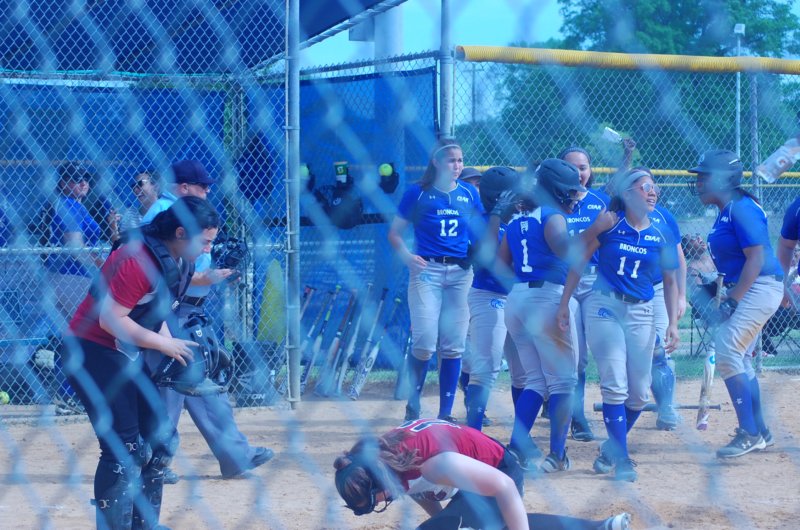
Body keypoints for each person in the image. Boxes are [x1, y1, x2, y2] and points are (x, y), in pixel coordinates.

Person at [64, 196, 219, 529]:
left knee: (160, 440)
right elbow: (110, 319)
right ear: (181, 232)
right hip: (91, 350)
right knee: (125, 448)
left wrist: (176, 348)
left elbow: (152, 312)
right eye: (204, 241)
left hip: (122, 351)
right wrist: (164, 344)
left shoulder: (177, 260)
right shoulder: (137, 259)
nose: (208, 249)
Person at [142, 159, 273, 482]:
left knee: (205, 384)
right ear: (184, 187)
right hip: (170, 310)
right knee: (171, 384)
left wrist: (215, 274)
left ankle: (235, 455)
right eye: (202, 186)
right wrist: (209, 277)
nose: (207, 191)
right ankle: (154, 462)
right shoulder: (164, 212)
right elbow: (163, 272)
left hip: (189, 312)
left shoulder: (192, 214)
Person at [558, 167, 680, 482]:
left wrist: (673, 323)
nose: (652, 192)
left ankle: (612, 448)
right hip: (605, 306)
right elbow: (578, 261)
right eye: (645, 187)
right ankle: (623, 460)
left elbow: (669, 281)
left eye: (654, 188)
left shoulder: (661, 233)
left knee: (639, 395)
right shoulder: (611, 224)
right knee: (615, 384)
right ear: (627, 194)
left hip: (642, 312)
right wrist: (564, 303)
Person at [333, 418, 632, 530]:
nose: (383, 501)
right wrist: (442, 519)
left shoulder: (431, 464)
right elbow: (416, 488)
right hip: (471, 480)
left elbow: (504, 487)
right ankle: (601, 528)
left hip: (500, 473)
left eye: (377, 497)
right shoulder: (388, 455)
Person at [688, 149, 783, 458]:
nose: (698, 183)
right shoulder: (727, 209)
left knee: (728, 351)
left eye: (704, 177)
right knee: (739, 358)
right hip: (748, 287)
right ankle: (760, 431)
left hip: (759, 286)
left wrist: (732, 301)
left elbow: (756, 257)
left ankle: (748, 433)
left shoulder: (742, 208)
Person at [388, 138, 485, 423]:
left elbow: (481, 230)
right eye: (451, 160)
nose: (457, 165)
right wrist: (407, 257)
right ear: (436, 162)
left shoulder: (468, 192)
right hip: (427, 271)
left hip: (460, 273)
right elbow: (394, 234)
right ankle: (413, 404)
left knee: (454, 344)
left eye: (460, 160)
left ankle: (445, 413)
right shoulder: (418, 193)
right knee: (424, 342)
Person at [500, 159, 585, 473]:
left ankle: (516, 448)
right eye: (569, 191)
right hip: (547, 297)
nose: (573, 197)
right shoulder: (551, 216)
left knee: (535, 380)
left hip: (518, 298)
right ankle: (557, 455)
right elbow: (567, 252)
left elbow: (501, 263)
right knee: (563, 382)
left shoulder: (518, 218)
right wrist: (593, 235)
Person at [558, 146, 610, 442]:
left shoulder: (600, 201)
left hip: (595, 283)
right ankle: (577, 418)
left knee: (602, 350)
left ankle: (612, 408)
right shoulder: (553, 204)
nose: (579, 173)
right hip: (563, 282)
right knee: (574, 357)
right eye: (572, 167)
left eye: (583, 167)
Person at [461, 167, 517, 431]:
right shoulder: (479, 220)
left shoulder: (521, 218)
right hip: (489, 295)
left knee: (524, 374)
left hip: (520, 299)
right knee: (487, 367)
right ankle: (473, 432)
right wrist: (496, 216)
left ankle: (520, 436)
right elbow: (488, 257)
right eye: (512, 195)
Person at [42, 163, 104, 322]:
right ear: (63, 184)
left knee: (74, 329)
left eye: (86, 179)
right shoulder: (70, 205)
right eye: (76, 179)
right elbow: (76, 248)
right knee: (93, 326)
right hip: (73, 276)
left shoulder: (68, 204)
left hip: (63, 276)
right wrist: (104, 265)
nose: (83, 183)